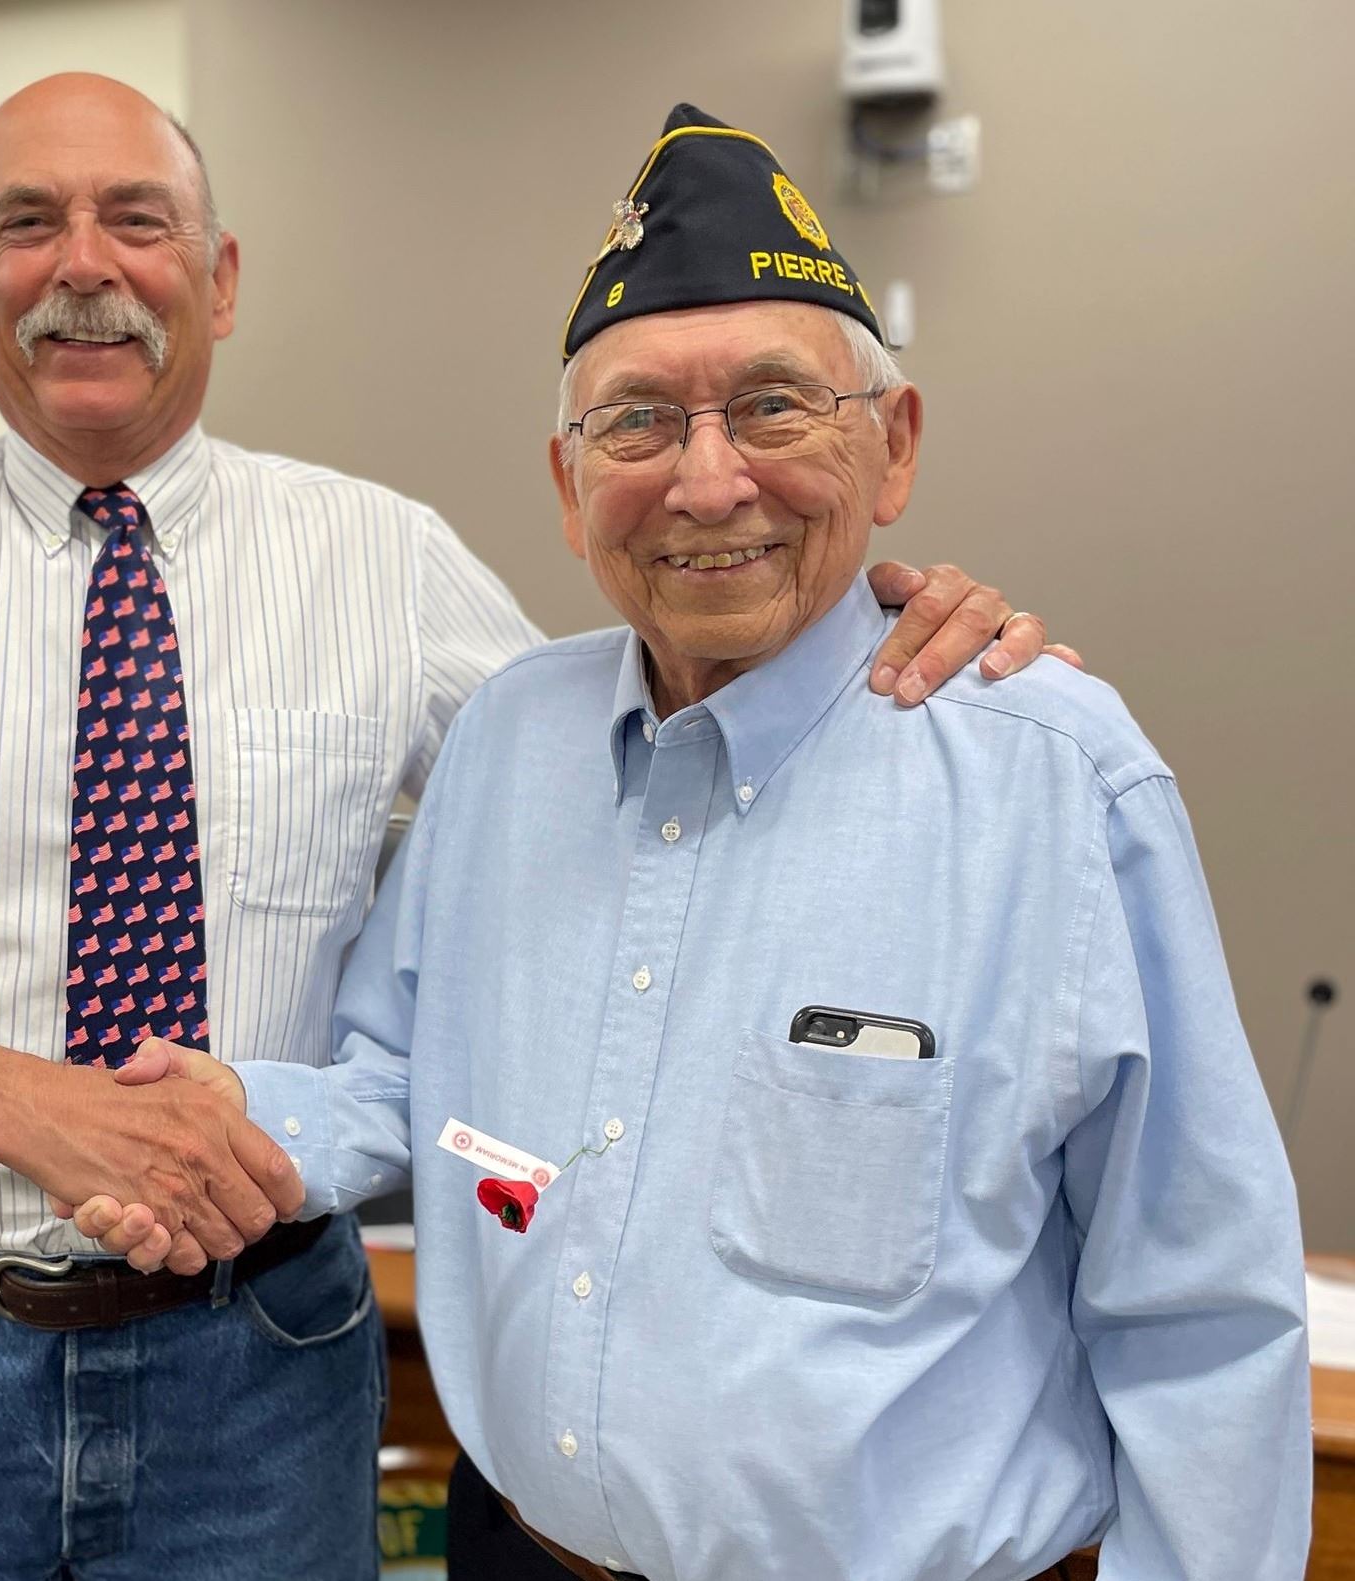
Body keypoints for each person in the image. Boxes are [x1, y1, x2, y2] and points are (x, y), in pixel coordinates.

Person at [0, 74, 1069, 1580]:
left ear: (217, 280)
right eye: (28, 223)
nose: (84, 264)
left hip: (256, 1364)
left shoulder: (379, 560)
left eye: (136, 220)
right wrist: (44, 1109)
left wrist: (842, 620)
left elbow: (658, 758)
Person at [86, 106, 1310, 1581]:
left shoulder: (1053, 782)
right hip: (523, 1553)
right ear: (567, 482)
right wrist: (232, 1122)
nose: (708, 480)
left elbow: (1200, 1310)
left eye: (778, 407)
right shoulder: (504, 746)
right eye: (639, 422)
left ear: (896, 444)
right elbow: (409, 1082)